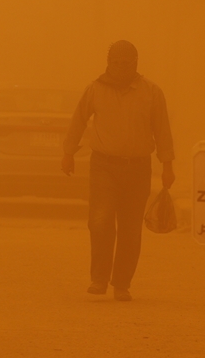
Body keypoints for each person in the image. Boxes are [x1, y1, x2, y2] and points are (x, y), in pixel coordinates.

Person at [62, 40, 175, 301]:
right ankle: (99, 279)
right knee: (100, 221)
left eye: (127, 63)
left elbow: (163, 131)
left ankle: (121, 283)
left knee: (130, 228)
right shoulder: (95, 89)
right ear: (108, 64)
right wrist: (68, 154)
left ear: (136, 63)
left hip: (138, 168)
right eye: (116, 63)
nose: (121, 68)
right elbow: (79, 119)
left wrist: (167, 166)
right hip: (104, 166)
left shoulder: (152, 93)